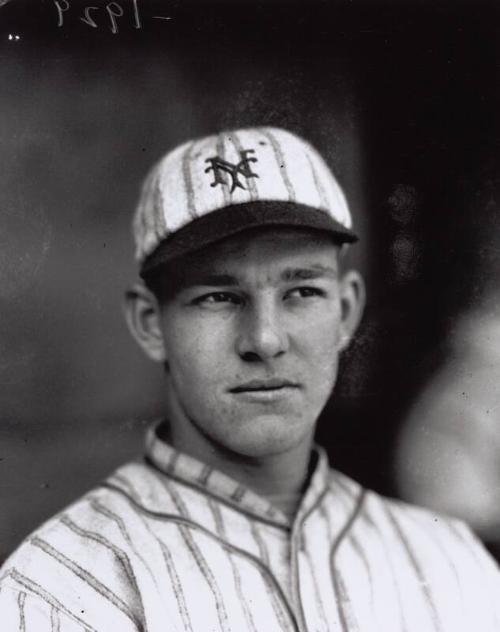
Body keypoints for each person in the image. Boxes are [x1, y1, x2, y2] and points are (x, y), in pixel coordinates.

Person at [1, 127, 499, 631]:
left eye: (301, 292)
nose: (264, 339)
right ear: (150, 323)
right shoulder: (60, 591)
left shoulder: (447, 563)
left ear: (346, 311)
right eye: (217, 297)